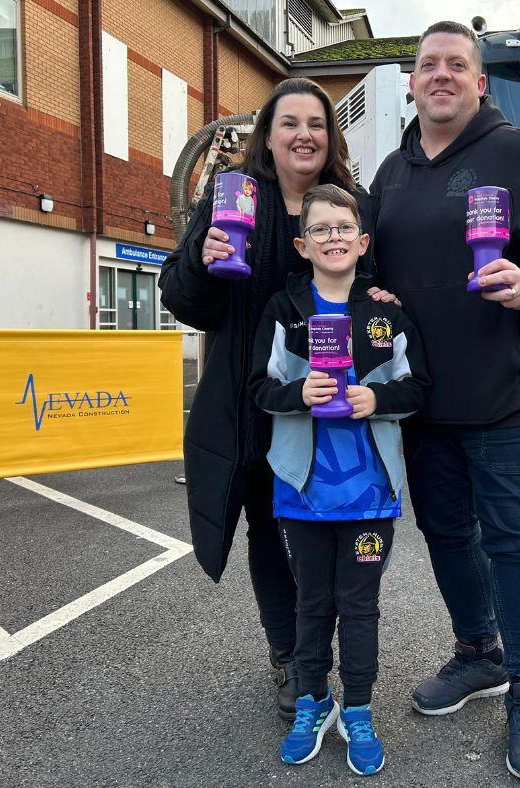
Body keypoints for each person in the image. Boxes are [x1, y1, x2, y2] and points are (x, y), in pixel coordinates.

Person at [369, 21, 520, 781]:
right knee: (444, 535)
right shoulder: (392, 173)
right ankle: (479, 653)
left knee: (513, 540)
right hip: (426, 400)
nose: (440, 75)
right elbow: (366, 260)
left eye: (456, 65)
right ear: (411, 82)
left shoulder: (517, 153)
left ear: (479, 83)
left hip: (508, 395)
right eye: (427, 64)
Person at [158, 78, 379, 721]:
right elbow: (182, 296)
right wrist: (202, 258)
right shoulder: (233, 201)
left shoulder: (349, 206)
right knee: (267, 534)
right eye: (290, 123)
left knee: (333, 531)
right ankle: (291, 656)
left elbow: (375, 293)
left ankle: (339, 652)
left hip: (331, 411)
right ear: (269, 136)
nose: (304, 134)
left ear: (331, 137)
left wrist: (383, 307)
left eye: (317, 122)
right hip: (250, 404)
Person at [249, 184, 428, 776]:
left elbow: (417, 387)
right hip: (302, 493)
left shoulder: (386, 313)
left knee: (360, 606)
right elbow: (260, 387)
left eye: (343, 228)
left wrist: (375, 397)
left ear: (363, 241)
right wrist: (297, 393)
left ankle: (358, 708)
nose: (333, 238)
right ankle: (311, 701)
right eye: (320, 229)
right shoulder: (285, 310)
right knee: (311, 604)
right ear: (302, 244)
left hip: (371, 495)